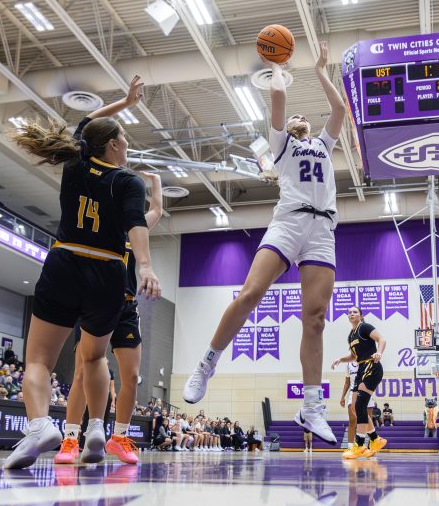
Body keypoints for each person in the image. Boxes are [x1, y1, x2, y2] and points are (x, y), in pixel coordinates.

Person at [183, 42, 346, 447]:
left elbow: (340, 111)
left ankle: (311, 407)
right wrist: (277, 64)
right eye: (296, 116)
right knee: (252, 292)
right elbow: (277, 95)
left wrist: (322, 69)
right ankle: (208, 362)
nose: (302, 116)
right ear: (289, 128)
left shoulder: (323, 145)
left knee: (316, 318)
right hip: (289, 223)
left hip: (322, 229)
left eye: (304, 116)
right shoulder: (282, 146)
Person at [4, 76, 160, 469]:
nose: (127, 144)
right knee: (92, 359)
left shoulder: (74, 162)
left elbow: (88, 122)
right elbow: (136, 223)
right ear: (113, 145)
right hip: (107, 273)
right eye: (124, 138)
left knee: (39, 360)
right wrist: (144, 264)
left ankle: (41, 425)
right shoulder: (127, 181)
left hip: (65, 262)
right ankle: (95, 429)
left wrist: (124, 103)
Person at [55, 172, 161, 465]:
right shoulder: (100, 226)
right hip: (96, 304)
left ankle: (120, 437)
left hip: (126, 307)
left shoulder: (135, 230)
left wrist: (155, 181)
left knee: (130, 376)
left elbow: (157, 210)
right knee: (80, 373)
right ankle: (70, 439)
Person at [332, 306, 387, 459]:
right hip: (361, 367)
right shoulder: (351, 335)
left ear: (361, 316)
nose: (351, 314)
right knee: (356, 408)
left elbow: (382, 339)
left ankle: (360, 445)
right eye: (349, 312)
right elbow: (354, 356)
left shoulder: (365, 327)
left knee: (361, 405)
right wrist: (341, 359)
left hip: (372, 366)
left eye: (355, 312)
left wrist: (379, 352)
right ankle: (376, 440)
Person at [340, 360, 375, 448]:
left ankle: (371, 446)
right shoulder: (348, 364)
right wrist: (343, 396)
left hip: (366, 391)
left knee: (368, 421)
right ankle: (350, 447)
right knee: (352, 420)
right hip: (353, 392)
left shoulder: (367, 360)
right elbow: (347, 382)